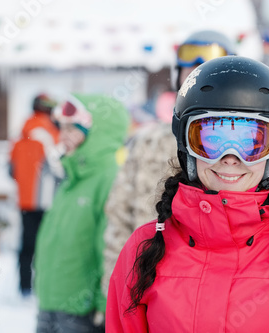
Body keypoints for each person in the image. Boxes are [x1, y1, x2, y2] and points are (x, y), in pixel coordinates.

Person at [106, 56, 269, 332]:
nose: (230, 157)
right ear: (186, 146)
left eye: (251, 142)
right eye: (211, 140)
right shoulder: (144, 249)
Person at [101, 30, 236, 296]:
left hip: (214, 292)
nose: (198, 76)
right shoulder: (148, 142)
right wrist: (116, 295)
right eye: (190, 69)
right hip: (148, 289)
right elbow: (118, 221)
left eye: (207, 68)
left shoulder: (242, 148)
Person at [34, 94, 129, 332]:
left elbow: (109, 247)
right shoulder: (71, 178)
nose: (63, 134)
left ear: (98, 132)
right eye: (62, 127)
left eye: (73, 128)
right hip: (50, 303)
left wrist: (103, 304)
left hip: (82, 312)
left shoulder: (109, 179)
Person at [9, 93, 61, 297]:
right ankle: (43, 286)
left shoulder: (21, 134)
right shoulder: (52, 133)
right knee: (47, 246)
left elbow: (11, 169)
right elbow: (60, 167)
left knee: (27, 245)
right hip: (49, 200)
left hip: (26, 200)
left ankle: (24, 286)